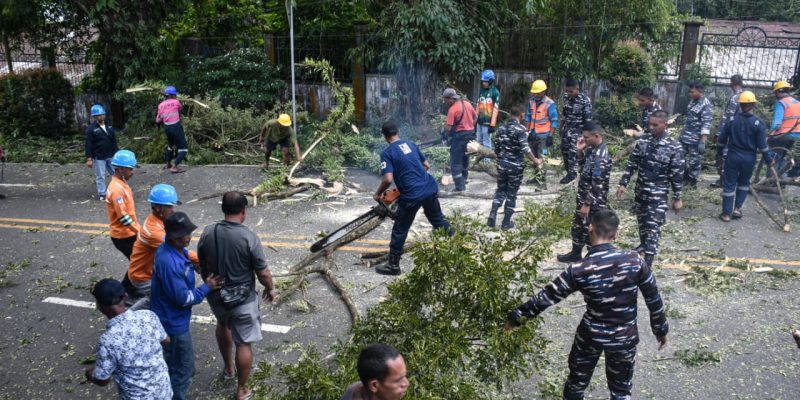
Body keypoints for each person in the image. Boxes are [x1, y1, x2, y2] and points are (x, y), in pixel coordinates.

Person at [505, 209, 668, 400]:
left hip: (590, 336)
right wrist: (661, 330)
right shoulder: (635, 261)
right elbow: (653, 299)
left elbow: (546, 297)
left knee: (576, 384)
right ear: (616, 234)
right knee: (621, 392)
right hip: (624, 338)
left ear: (590, 228)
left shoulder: (579, 269)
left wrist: (515, 319)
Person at [197, 191, 276, 400]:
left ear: (223, 209)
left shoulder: (208, 232)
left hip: (216, 295)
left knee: (222, 325)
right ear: (244, 211)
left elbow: (201, 263)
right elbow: (263, 272)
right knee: (244, 343)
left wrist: (208, 282)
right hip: (243, 300)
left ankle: (229, 369)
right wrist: (270, 288)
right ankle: (241, 389)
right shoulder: (249, 236)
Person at [150, 212, 222, 400]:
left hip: (170, 317)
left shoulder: (177, 250)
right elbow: (184, 298)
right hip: (172, 322)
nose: (190, 237)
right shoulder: (169, 262)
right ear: (174, 237)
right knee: (184, 369)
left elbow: (187, 265)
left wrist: (199, 268)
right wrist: (207, 287)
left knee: (171, 362)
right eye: (186, 234)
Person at [373, 121, 451, 275]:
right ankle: (458, 243)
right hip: (429, 187)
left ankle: (393, 266)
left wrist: (377, 194)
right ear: (398, 132)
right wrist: (413, 178)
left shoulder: (387, 153)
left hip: (412, 195)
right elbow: (426, 166)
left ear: (385, 137)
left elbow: (388, 179)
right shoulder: (411, 144)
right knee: (438, 219)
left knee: (400, 229)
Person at [85, 278, 172, 399]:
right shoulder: (148, 316)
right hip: (164, 392)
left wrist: (90, 374)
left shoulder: (107, 341)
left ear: (100, 306)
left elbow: (103, 380)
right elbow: (166, 340)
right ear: (125, 297)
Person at [617, 110, 684, 268]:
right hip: (641, 191)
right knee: (642, 222)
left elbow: (677, 175)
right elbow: (632, 164)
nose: (651, 127)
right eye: (650, 124)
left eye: (655, 125)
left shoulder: (674, 147)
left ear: (665, 125)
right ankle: (643, 244)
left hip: (658, 195)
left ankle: (648, 261)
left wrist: (678, 198)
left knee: (653, 226)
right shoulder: (643, 142)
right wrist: (623, 183)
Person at [127, 184, 198, 307]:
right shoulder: (153, 231)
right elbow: (180, 250)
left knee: (158, 298)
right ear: (158, 207)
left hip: (152, 271)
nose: (173, 209)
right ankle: (127, 319)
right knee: (163, 298)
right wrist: (201, 259)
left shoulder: (161, 221)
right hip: (143, 276)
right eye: (170, 206)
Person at [557, 122, 612, 262]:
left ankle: (592, 258)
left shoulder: (601, 156)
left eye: (586, 138)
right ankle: (575, 253)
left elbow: (597, 184)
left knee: (590, 229)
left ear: (596, 136)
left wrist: (587, 204)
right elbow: (584, 169)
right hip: (584, 197)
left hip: (593, 201)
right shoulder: (592, 150)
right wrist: (580, 151)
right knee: (578, 227)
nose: (583, 140)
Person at [717, 91, 773, 221]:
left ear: (740, 105)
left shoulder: (732, 120)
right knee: (743, 183)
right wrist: (769, 160)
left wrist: (719, 153)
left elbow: (721, 139)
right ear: (753, 104)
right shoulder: (759, 123)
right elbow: (763, 146)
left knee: (729, 184)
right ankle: (737, 209)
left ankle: (726, 214)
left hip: (733, 156)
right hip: (749, 159)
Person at [488, 106, 542, 230]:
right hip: (515, 167)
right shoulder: (522, 129)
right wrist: (535, 161)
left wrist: (501, 159)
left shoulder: (500, 129)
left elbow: (496, 148)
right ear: (521, 115)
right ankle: (506, 222)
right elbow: (525, 148)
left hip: (502, 164)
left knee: (501, 190)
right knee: (512, 193)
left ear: (510, 114)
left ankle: (493, 212)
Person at [105, 150, 140, 261]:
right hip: (124, 236)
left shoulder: (122, 183)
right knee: (140, 264)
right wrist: (140, 232)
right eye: (130, 168)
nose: (132, 171)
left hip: (129, 232)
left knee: (138, 264)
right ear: (120, 169)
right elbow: (123, 217)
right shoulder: (116, 189)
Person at [341, 343, 409, 400]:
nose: (406, 383)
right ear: (374, 385)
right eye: (398, 381)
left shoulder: (358, 388)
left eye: (405, 376)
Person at [711, 75, 744, 188]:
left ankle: (723, 181)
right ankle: (732, 179)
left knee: (723, 156)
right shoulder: (745, 96)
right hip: (741, 133)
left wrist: (719, 133)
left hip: (730, 133)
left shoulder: (735, 98)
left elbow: (727, 118)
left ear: (732, 83)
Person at [525, 79, 558, 187]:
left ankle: (542, 181)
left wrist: (550, 136)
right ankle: (536, 178)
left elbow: (554, 121)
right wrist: (528, 131)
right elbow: (528, 117)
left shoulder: (550, 104)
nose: (535, 94)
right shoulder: (531, 101)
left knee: (542, 158)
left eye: (537, 92)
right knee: (534, 157)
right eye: (534, 92)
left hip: (544, 135)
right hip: (533, 133)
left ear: (543, 91)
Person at [443, 88, 477, 192]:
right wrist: (470, 126)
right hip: (470, 135)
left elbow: (449, 128)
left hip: (459, 137)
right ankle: (464, 178)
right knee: (465, 158)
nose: (445, 102)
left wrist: (447, 135)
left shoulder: (452, 110)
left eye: (445, 100)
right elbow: (475, 117)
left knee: (456, 162)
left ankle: (459, 186)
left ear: (450, 99)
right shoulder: (467, 103)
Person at [560, 78, 593, 184]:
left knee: (573, 153)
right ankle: (571, 171)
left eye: (571, 91)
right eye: (567, 91)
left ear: (577, 89)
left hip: (578, 131)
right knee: (564, 151)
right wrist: (561, 127)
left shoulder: (585, 100)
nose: (568, 93)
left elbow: (588, 120)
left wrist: (586, 136)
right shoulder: (566, 98)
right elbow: (564, 114)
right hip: (567, 129)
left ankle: (572, 174)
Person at [680, 82, 713, 187]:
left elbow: (706, 123)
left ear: (700, 91)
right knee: (679, 156)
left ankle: (692, 182)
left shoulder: (705, 104)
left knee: (694, 161)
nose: (690, 94)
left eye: (692, 92)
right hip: (685, 136)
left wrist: (702, 141)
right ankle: (684, 177)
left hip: (695, 139)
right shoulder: (692, 102)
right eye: (690, 92)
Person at [84, 104, 118, 201]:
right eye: (99, 115)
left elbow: (114, 141)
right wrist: (89, 158)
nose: (101, 116)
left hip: (111, 154)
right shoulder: (91, 129)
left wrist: (117, 153)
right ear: (94, 117)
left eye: (103, 114)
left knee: (115, 173)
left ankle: (118, 190)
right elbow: (88, 144)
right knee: (100, 176)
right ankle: (102, 193)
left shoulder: (109, 126)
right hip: (99, 157)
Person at [768, 80, 800, 179]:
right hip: (796, 135)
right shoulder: (798, 103)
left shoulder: (781, 103)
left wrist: (770, 134)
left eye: (776, 93)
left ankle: (771, 179)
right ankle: (780, 178)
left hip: (783, 134)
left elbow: (777, 123)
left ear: (778, 92)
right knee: (783, 156)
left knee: (773, 155)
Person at [156, 86, 188, 173]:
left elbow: (158, 120)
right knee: (184, 148)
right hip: (175, 127)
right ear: (172, 95)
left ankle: (168, 163)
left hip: (167, 128)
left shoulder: (160, 105)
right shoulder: (176, 102)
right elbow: (180, 109)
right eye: (175, 95)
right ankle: (174, 166)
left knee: (171, 145)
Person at [476, 69, 501, 163]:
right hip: (480, 121)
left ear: (490, 81)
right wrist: (475, 119)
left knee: (487, 143)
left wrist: (492, 124)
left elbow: (495, 109)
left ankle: (487, 162)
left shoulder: (495, 92)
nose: (484, 83)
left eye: (486, 81)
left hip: (488, 122)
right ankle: (479, 160)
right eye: (483, 81)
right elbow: (478, 105)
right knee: (478, 141)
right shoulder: (481, 90)